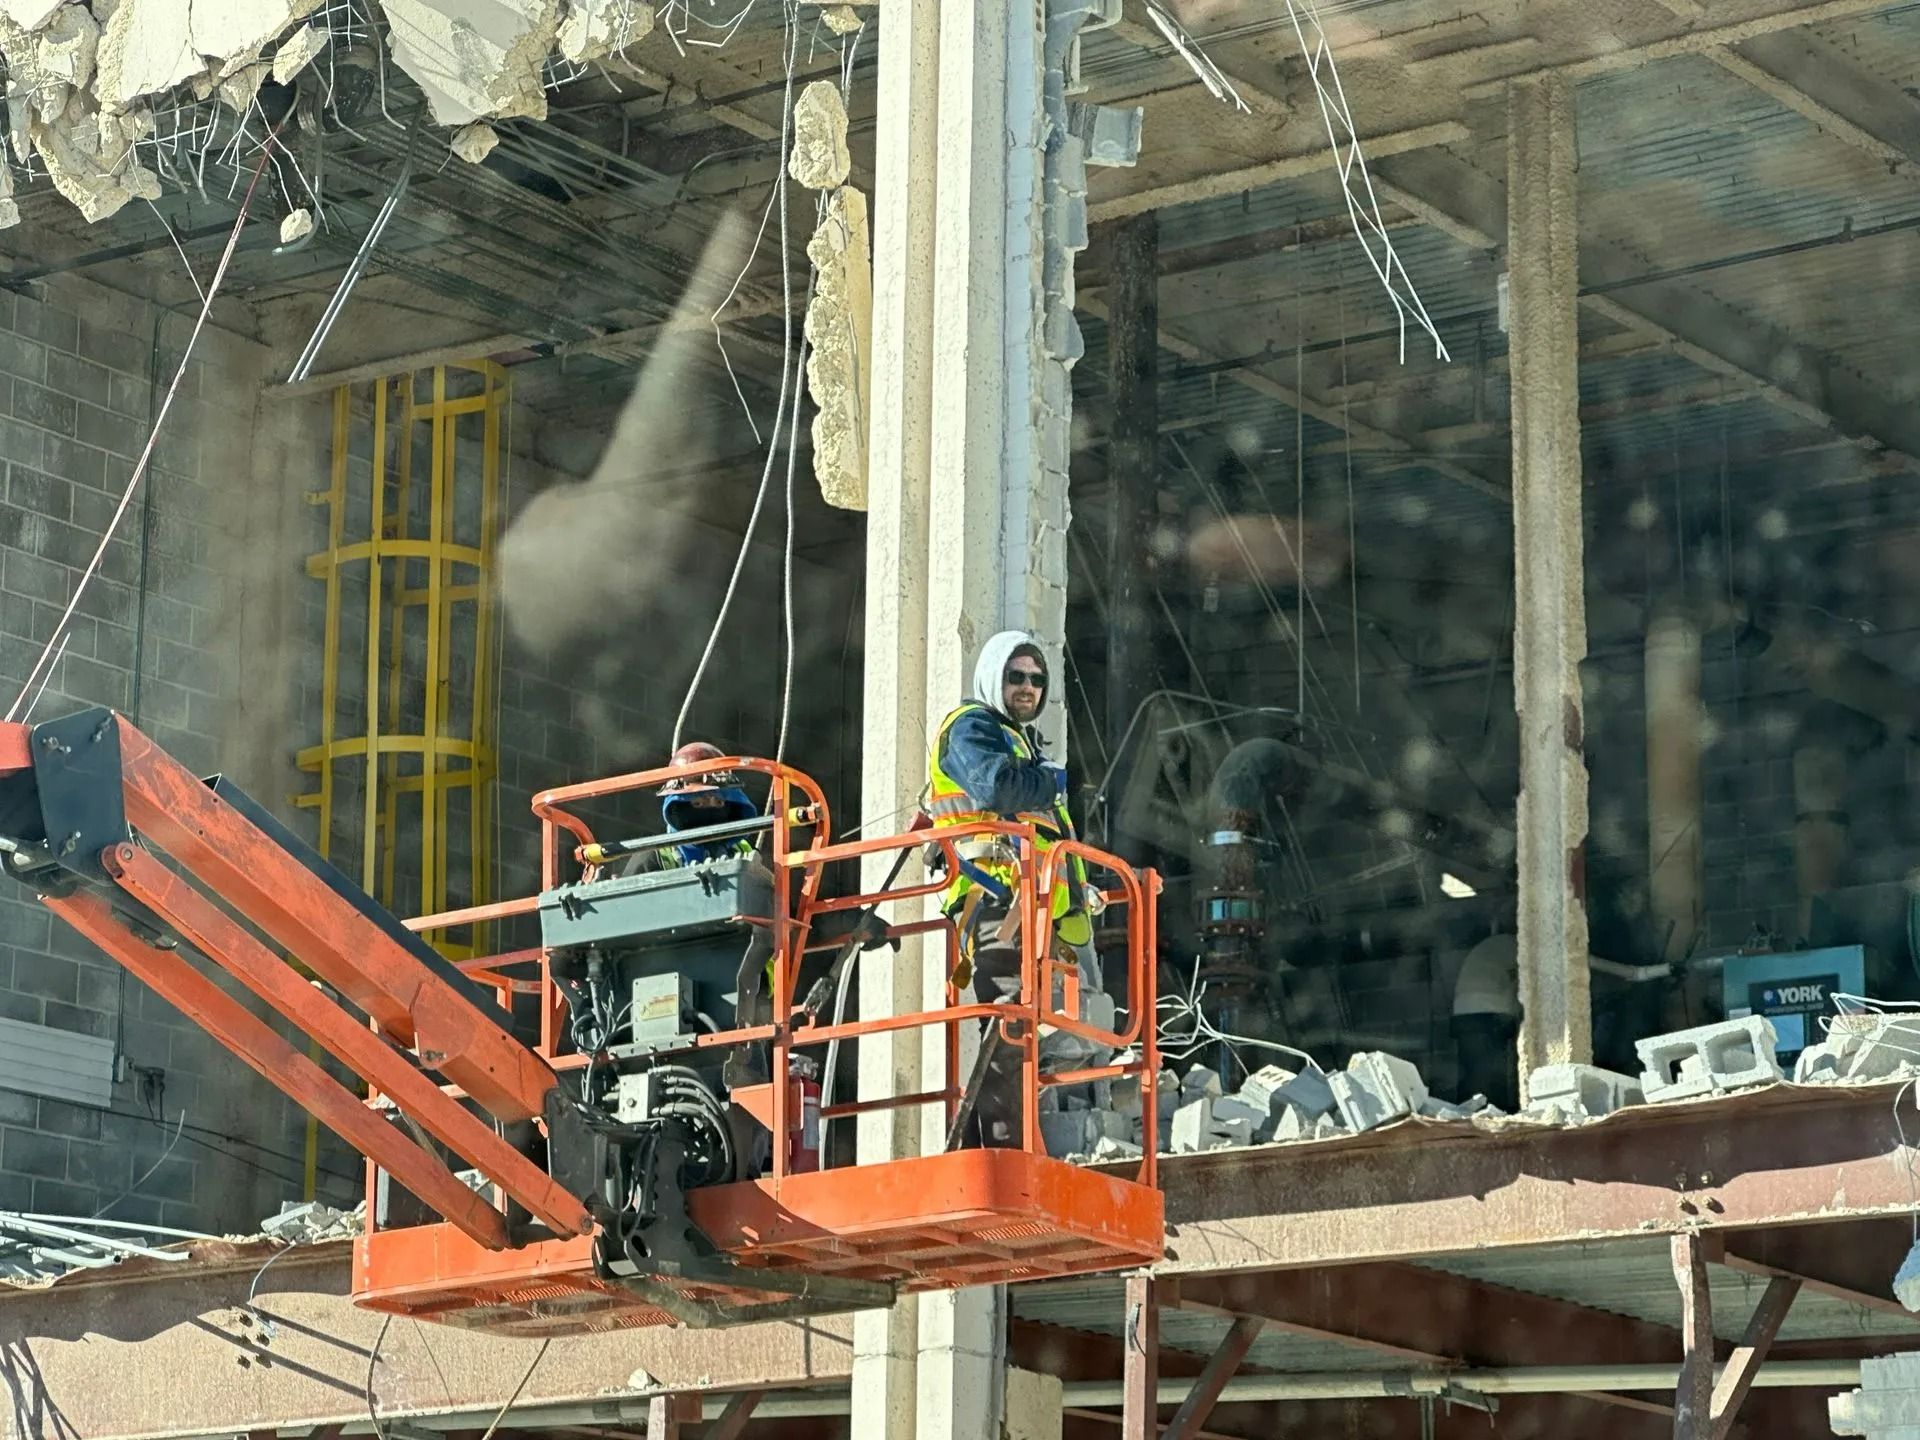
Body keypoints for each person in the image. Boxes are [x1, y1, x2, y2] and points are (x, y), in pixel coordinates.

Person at [926, 630, 1100, 1148]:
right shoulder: (971, 727)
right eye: (1016, 676)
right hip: (998, 902)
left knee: (1030, 1031)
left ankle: (1019, 1145)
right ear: (992, 678)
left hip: (1034, 911)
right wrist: (1052, 780)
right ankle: (1000, 1151)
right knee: (1009, 1027)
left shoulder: (1018, 740)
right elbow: (996, 786)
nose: (1028, 687)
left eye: (1037, 679)